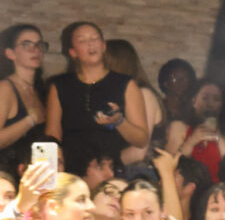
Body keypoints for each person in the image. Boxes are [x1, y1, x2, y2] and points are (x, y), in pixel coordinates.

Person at [45, 22, 149, 165]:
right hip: (71, 168)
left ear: (103, 46)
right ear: (73, 52)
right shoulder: (60, 85)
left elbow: (142, 140)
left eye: (94, 38)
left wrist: (119, 122)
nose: (91, 44)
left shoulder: (125, 84)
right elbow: (52, 135)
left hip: (108, 170)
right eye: (82, 41)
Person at [105, 39, 167, 166]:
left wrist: (104, 166)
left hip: (141, 172)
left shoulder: (144, 94)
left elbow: (138, 153)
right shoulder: (118, 95)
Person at [165, 80, 225, 183]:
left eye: (216, 99)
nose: (210, 104)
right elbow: (168, 167)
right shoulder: (179, 128)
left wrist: (218, 136)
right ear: (194, 101)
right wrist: (192, 141)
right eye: (205, 98)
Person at [0, 24, 48, 168]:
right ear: (10, 53)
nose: (35, 50)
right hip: (7, 171)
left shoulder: (41, 88)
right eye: (26, 45)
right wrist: (30, 120)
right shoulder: (5, 88)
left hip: (36, 170)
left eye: (39, 45)